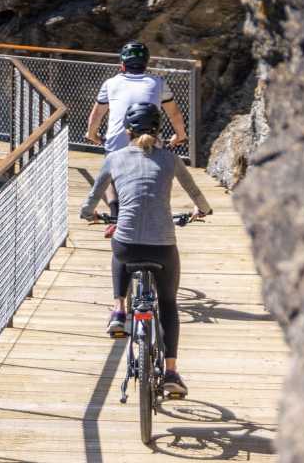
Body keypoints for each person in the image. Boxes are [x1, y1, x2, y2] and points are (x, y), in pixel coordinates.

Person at [79, 102, 212, 398]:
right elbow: (196, 194)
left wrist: (90, 214)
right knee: (167, 303)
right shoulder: (170, 159)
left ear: (127, 131)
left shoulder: (114, 158)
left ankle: (118, 310)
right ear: (158, 130)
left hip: (127, 244)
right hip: (163, 246)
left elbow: (91, 200)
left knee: (119, 250)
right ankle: (172, 373)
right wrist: (202, 210)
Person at [83, 41, 190, 153]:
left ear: (122, 64)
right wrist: (180, 136)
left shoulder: (110, 83)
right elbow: (174, 114)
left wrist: (92, 135)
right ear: (146, 63)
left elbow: (97, 115)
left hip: (115, 148)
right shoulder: (158, 83)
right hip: (151, 148)